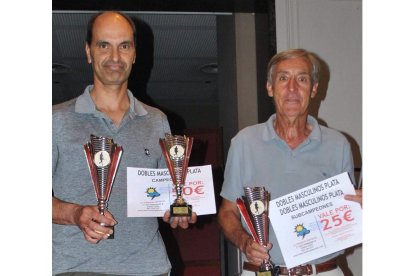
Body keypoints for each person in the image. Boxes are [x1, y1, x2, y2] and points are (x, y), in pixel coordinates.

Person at [52, 11, 197, 276]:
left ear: (134, 54)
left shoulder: (156, 121)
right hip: (76, 268)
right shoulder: (55, 120)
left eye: (124, 46)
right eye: (104, 45)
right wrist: (75, 214)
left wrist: (179, 209)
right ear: (88, 52)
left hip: (149, 268)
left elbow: (170, 192)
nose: (115, 57)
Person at [217, 48, 362, 276]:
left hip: (322, 271)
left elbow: (347, 216)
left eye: (302, 79)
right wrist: (245, 243)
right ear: (269, 87)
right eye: (283, 78)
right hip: (261, 271)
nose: (292, 88)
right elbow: (227, 212)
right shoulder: (244, 143)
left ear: (314, 89)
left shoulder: (338, 145)